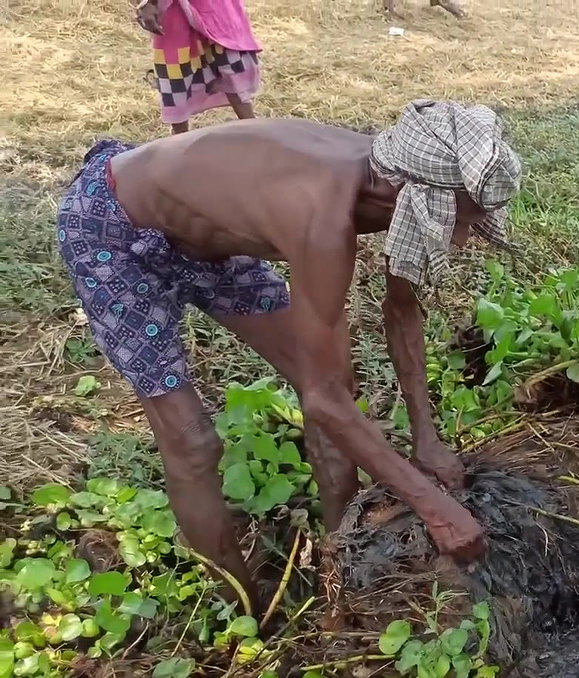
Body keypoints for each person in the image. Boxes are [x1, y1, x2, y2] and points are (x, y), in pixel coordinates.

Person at [56, 99, 522, 601]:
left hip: (203, 237)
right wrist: (433, 505)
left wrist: (425, 438)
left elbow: (401, 312)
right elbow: (324, 403)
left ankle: (340, 566)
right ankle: (246, 611)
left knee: (335, 381)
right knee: (193, 440)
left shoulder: (398, 177)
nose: (465, 239)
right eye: (461, 222)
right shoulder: (321, 215)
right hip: (111, 226)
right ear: (411, 200)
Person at [133, 0, 263, 135]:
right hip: (172, 11)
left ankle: (255, 133)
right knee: (177, 69)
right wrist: (148, 3)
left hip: (216, 8)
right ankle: (179, 143)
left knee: (229, 60)